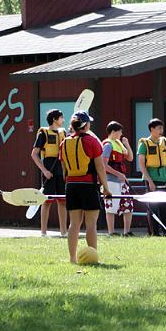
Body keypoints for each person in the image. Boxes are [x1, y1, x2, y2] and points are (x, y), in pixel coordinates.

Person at [60, 111, 111, 264]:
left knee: (74, 223)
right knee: (91, 224)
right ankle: (93, 258)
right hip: (89, 185)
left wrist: (69, 182)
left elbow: (64, 169)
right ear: (86, 125)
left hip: (71, 186)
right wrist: (106, 188)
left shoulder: (64, 142)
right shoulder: (92, 141)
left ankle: (72, 258)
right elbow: (100, 167)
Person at [30, 109, 67, 237]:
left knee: (62, 201)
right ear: (55, 119)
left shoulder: (64, 133)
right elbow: (34, 155)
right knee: (46, 201)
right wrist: (44, 171)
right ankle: (43, 233)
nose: (63, 120)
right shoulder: (43, 133)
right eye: (61, 118)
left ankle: (64, 232)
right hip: (48, 168)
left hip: (60, 170)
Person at [138, 118, 166, 237]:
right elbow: (142, 165)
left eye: (162, 128)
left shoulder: (164, 142)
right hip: (151, 179)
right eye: (158, 128)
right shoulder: (144, 144)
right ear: (151, 129)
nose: (161, 131)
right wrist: (150, 181)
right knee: (153, 208)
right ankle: (154, 234)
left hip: (164, 179)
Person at [102, 121, 135, 237]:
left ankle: (127, 232)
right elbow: (104, 165)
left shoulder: (119, 144)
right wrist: (118, 174)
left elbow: (130, 158)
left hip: (122, 180)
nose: (121, 134)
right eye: (120, 132)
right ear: (113, 132)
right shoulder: (107, 145)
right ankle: (111, 232)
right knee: (111, 205)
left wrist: (126, 144)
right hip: (110, 180)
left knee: (128, 204)